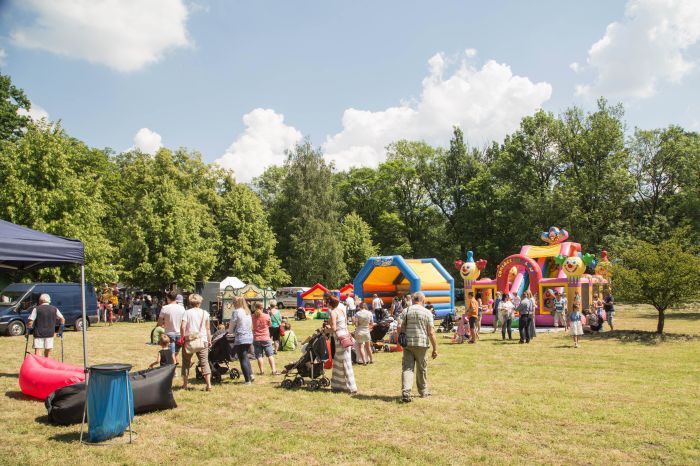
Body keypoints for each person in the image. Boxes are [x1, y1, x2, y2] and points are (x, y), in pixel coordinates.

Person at [399, 292, 438, 403]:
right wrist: (435, 348)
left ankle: (406, 391)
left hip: (408, 344)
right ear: (423, 300)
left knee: (407, 368)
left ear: (412, 300)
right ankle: (423, 391)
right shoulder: (427, 312)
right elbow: (431, 332)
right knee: (422, 368)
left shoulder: (406, 311)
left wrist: (400, 338)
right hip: (422, 344)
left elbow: (399, 326)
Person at [180, 294, 212, 391]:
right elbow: (208, 329)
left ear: (190, 302)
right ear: (200, 302)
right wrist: (209, 340)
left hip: (189, 341)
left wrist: (182, 338)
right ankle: (209, 385)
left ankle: (185, 385)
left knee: (186, 363)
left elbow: (183, 327)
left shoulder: (187, 313)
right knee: (204, 362)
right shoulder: (205, 313)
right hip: (203, 340)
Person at [329, 295, 357, 394]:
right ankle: (339, 385)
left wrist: (326, 330)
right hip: (346, 337)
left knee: (344, 362)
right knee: (340, 361)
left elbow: (334, 328)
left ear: (330, 303)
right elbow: (343, 324)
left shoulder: (333, 312)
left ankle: (351, 387)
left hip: (339, 339)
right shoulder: (341, 310)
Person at [228, 297, 254, 384]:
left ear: (236, 303)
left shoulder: (236, 312)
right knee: (245, 356)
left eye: (233, 302)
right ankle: (251, 375)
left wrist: (229, 332)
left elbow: (232, 324)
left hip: (241, 337)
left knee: (242, 358)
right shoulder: (247, 311)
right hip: (249, 336)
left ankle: (247, 380)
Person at [158, 290, 186, 364]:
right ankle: (175, 364)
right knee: (175, 353)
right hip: (179, 334)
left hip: (169, 334)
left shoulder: (164, 308)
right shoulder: (182, 308)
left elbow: (159, 323)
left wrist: (163, 324)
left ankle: (173, 368)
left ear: (168, 298)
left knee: (171, 354)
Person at [252, 302, 278, 375]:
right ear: (262, 307)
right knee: (270, 355)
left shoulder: (252, 316)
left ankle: (261, 371)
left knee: (259, 356)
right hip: (266, 337)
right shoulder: (266, 316)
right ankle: (273, 370)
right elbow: (270, 325)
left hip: (256, 338)